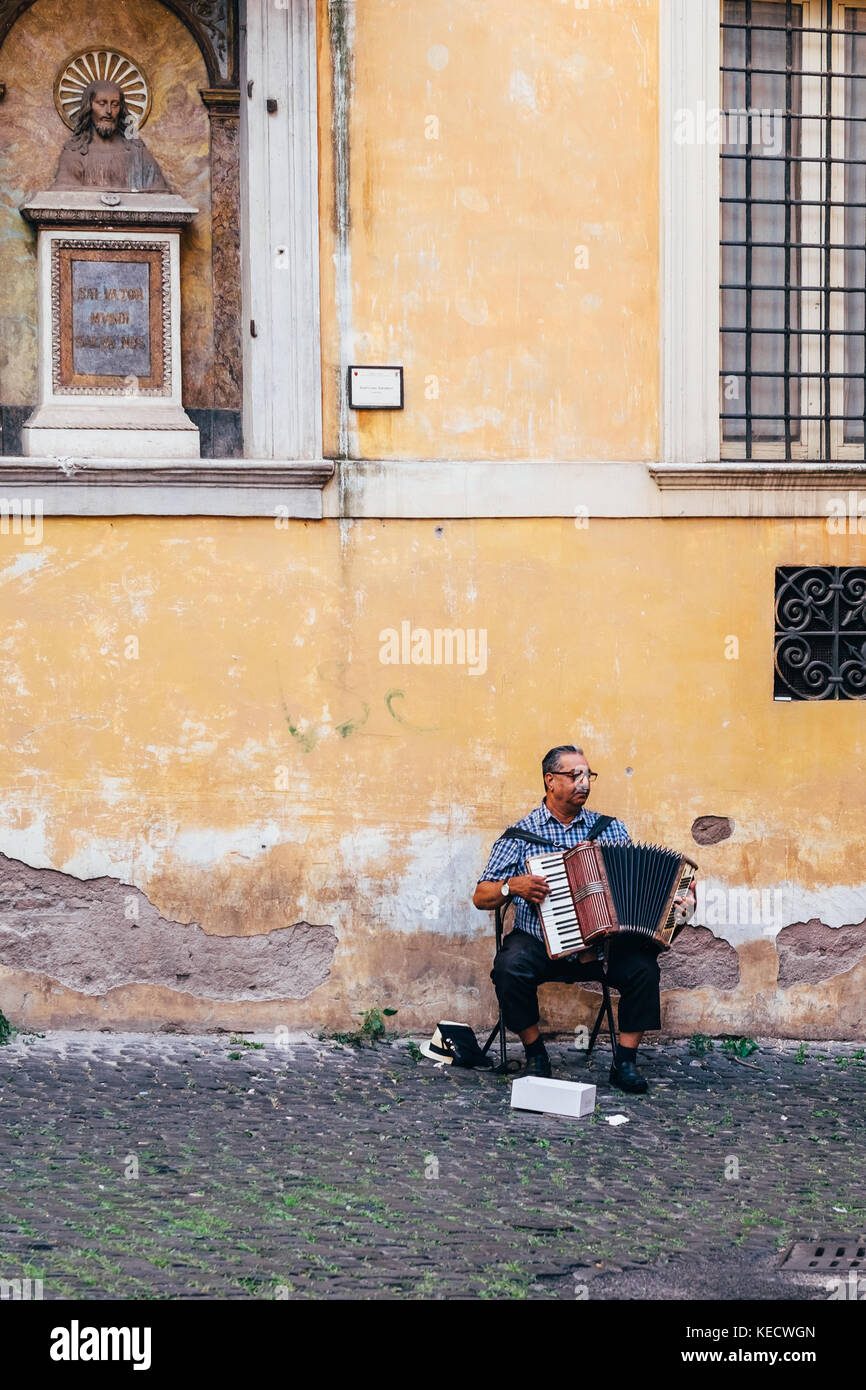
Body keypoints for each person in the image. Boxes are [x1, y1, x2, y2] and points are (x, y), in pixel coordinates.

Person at [472, 744, 696, 1094]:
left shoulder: (609, 830)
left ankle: (625, 1062)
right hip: (541, 944)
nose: (584, 783)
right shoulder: (520, 836)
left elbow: (635, 884)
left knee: (643, 969)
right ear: (550, 780)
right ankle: (535, 1054)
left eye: (587, 775)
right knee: (508, 967)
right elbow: (481, 895)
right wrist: (510, 886)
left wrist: (679, 903)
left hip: (602, 950)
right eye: (574, 775)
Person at [52, 80, 171, 193]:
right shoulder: (75, 151)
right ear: (89, 106)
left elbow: (160, 194)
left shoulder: (136, 150)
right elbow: (63, 196)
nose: (109, 111)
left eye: (115, 105)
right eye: (102, 104)